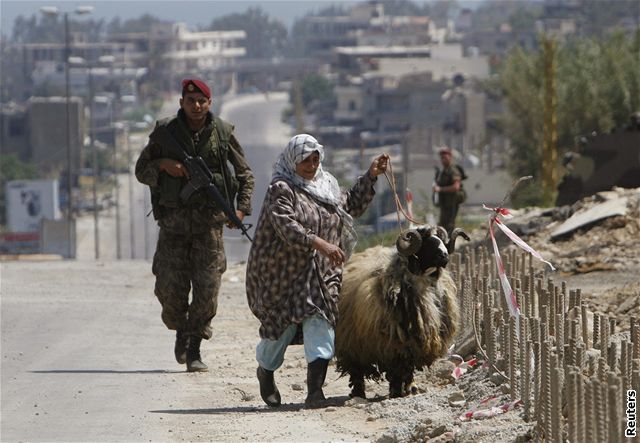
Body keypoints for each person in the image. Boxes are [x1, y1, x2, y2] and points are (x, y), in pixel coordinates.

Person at [245, 134, 389, 407]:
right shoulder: (281, 188)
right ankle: (265, 370)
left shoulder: (326, 187)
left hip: (322, 274)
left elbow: (349, 206)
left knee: (321, 325)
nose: (311, 165)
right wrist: (320, 243)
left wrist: (371, 175)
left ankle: (315, 392)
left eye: (315, 159)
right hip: (285, 273)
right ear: (292, 161)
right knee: (281, 330)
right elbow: (286, 225)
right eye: (304, 160)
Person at [135, 79, 255, 372]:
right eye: (191, 101)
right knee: (169, 290)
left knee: (207, 290)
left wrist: (240, 210)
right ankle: (180, 330)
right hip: (173, 227)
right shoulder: (165, 133)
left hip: (209, 227)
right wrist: (164, 166)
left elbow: (245, 175)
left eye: (202, 101)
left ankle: (194, 347)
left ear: (210, 103)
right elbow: (141, 171)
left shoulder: (223, 133)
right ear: (182, 103)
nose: (197, 106)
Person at [433, 146, 465, 235]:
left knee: (449, 226)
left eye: (445, 157)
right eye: (442, 158)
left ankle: (450, 246)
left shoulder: (453, 170)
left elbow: (456, 187)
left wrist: (440, 189)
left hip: (452, 203)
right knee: (442, 226)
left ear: (450, 157)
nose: (443, 160)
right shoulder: (444, 171)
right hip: (445, 203)